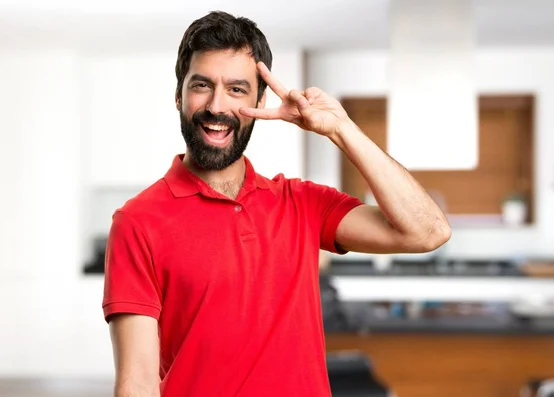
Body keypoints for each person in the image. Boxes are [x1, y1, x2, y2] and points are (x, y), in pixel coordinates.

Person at [102, 10, 451, 397]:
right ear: (179, 95)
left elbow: (428, 231)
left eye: (236, 89)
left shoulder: (301, 204)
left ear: (260, 100)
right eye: (201, 85)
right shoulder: (138, 221)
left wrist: (341, 129)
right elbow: (137, 381)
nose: (217, 106)